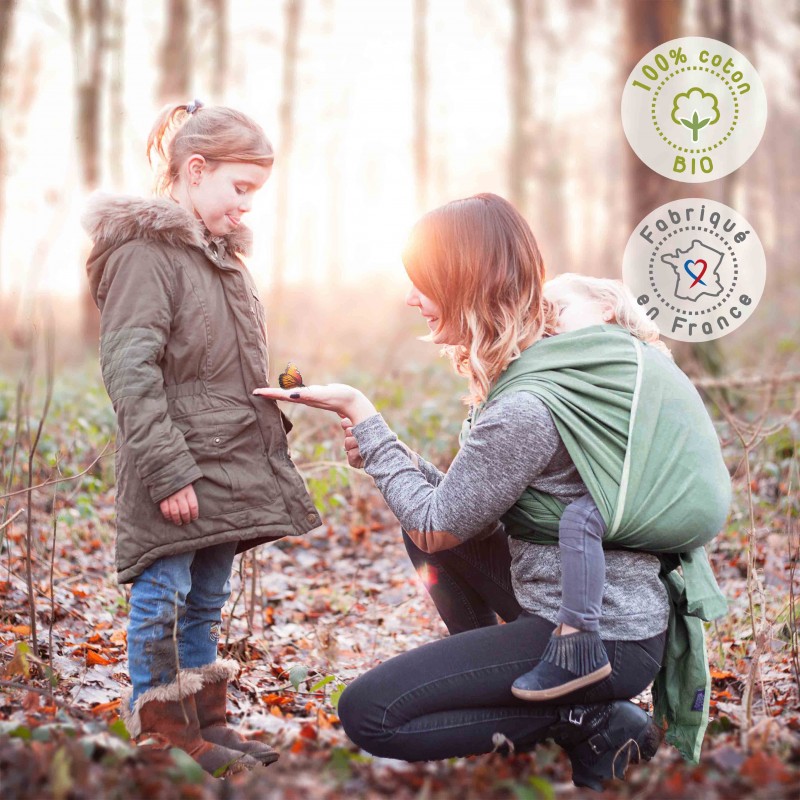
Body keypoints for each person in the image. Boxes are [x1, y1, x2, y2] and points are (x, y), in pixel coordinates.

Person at [255, 193, 730, 789]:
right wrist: (385, 451)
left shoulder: (527, 404)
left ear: (465, 283)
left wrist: (362, 413)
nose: (411, 299)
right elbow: (455, 512)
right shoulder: (548, 364)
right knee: (427, 533)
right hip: (580, 605)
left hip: (601, 636)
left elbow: (437, 524)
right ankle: (523, 688)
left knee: (370, 713)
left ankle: (589, 718)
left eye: (424, 283)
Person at [82, 100, 322, 776]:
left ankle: (206, 722)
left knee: (207, 599)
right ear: (194, 170)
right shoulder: (144, 255)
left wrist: (276, 396)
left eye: (254, 193)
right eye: (239, 188)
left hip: (228, 461)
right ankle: (163, 735)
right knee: (163, 594)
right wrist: (168, 472)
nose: (246, 205)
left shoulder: (222, 260)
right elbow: (130, 371)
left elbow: (213, 368)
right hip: (178, 467)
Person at [510, 273, 675, 702]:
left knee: (580, 520)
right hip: (622, 476)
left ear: (606, 309)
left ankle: (578, 638)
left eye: (559, 310)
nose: (550, 323)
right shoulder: (602, 361)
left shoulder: (626, 358)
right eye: (544, 319)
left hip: (643, 483)